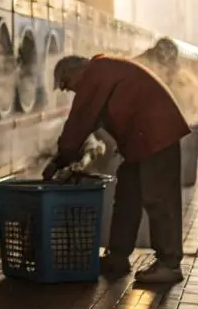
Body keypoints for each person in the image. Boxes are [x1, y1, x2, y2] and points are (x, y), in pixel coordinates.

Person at [42, 54, 190, 284]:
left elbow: (79, 121)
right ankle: (118, 256)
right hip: (142, 137)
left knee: (159, 198)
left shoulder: (95, 74)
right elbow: (91, 123)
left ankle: (169, 264)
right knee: (128, 194)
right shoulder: (103, 71)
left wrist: (59, 160)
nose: (71, 92)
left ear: (74, 72)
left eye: (68, 85)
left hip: (157, 133)